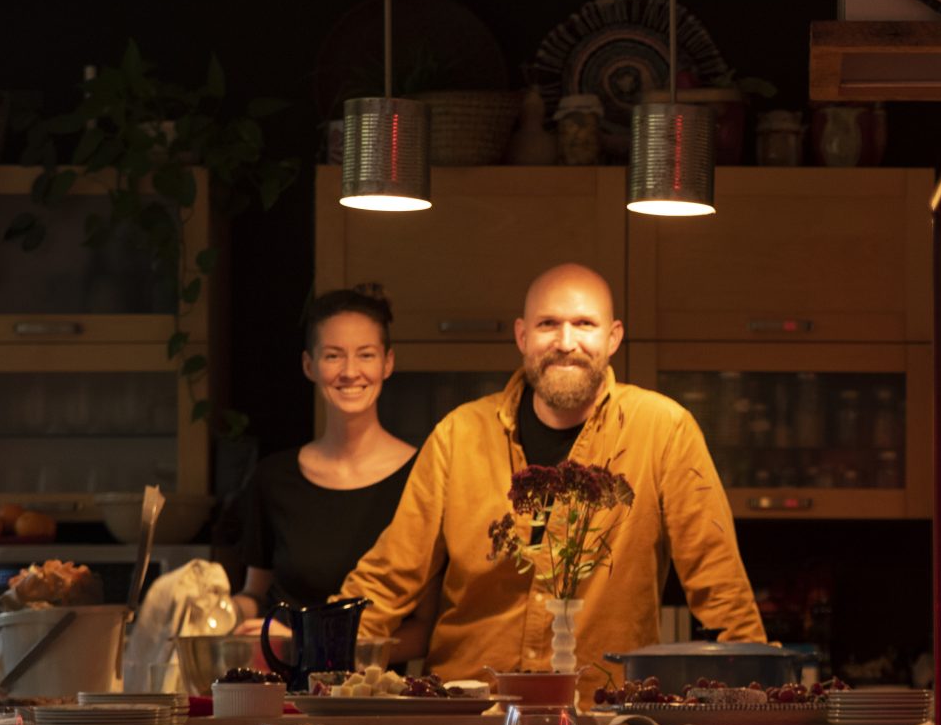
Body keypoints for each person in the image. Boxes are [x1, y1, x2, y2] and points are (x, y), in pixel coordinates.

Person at [343, 262, 767, 687]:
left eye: (584, 324)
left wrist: (758, 695)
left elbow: (720, 582)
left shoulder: (663, 430)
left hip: (604, 716)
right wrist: (313, 647)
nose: (566, 343)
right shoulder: (459, 435)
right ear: (522, 336)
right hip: (468, 710)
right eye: (548, 324)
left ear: (613, 337)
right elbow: (390, 576)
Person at [235, 285, 420, 621]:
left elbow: (422, 630)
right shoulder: (273, 478)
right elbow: (255, 595)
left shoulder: (422, 475)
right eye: (333, 355)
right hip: (283, 671)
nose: (350, 372)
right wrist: (218, 609)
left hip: (379, 673)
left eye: (366, 354)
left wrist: (301, 644)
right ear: (309, 365)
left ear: (387, 363)